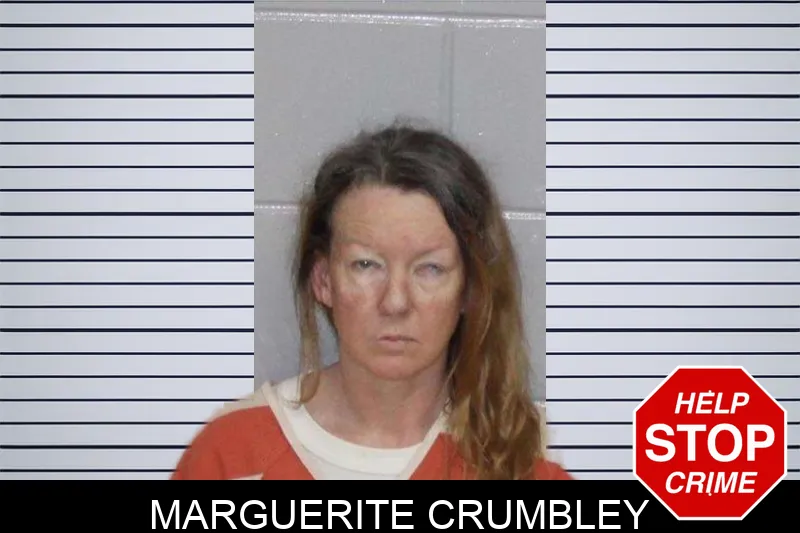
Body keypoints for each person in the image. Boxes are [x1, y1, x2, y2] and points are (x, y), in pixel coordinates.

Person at [171, 120, 572, 480]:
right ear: (324, 280)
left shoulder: (521, 464)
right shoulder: (231, 454)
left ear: (470, 289)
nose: (395, 302)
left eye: (430, 268)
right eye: (366, 264)